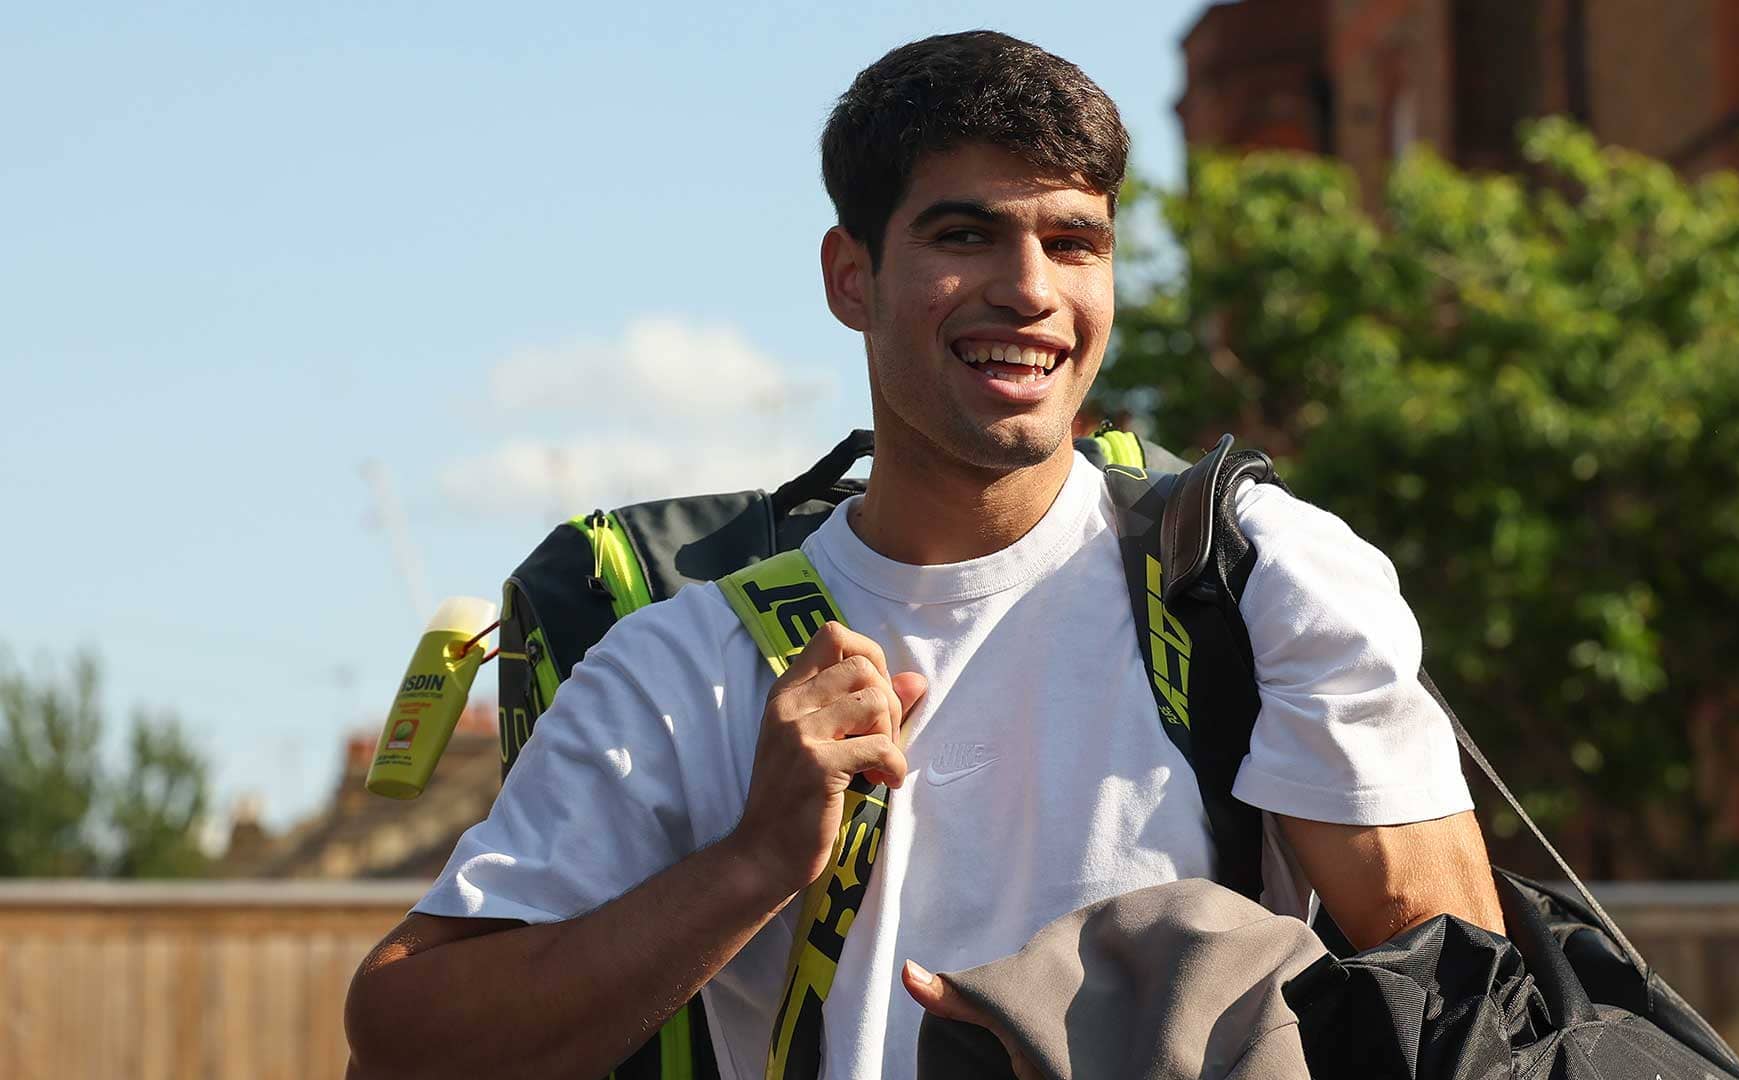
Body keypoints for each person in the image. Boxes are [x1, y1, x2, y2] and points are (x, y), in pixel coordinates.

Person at [343, 30, 1504, 1080]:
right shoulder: (686, 662)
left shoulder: (1260, 581)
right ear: (851, 276)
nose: (1030, 290)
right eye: (965, 235)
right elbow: (402, 1043)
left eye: (1075, 242)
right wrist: (753, 861)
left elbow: (1470, 1024)